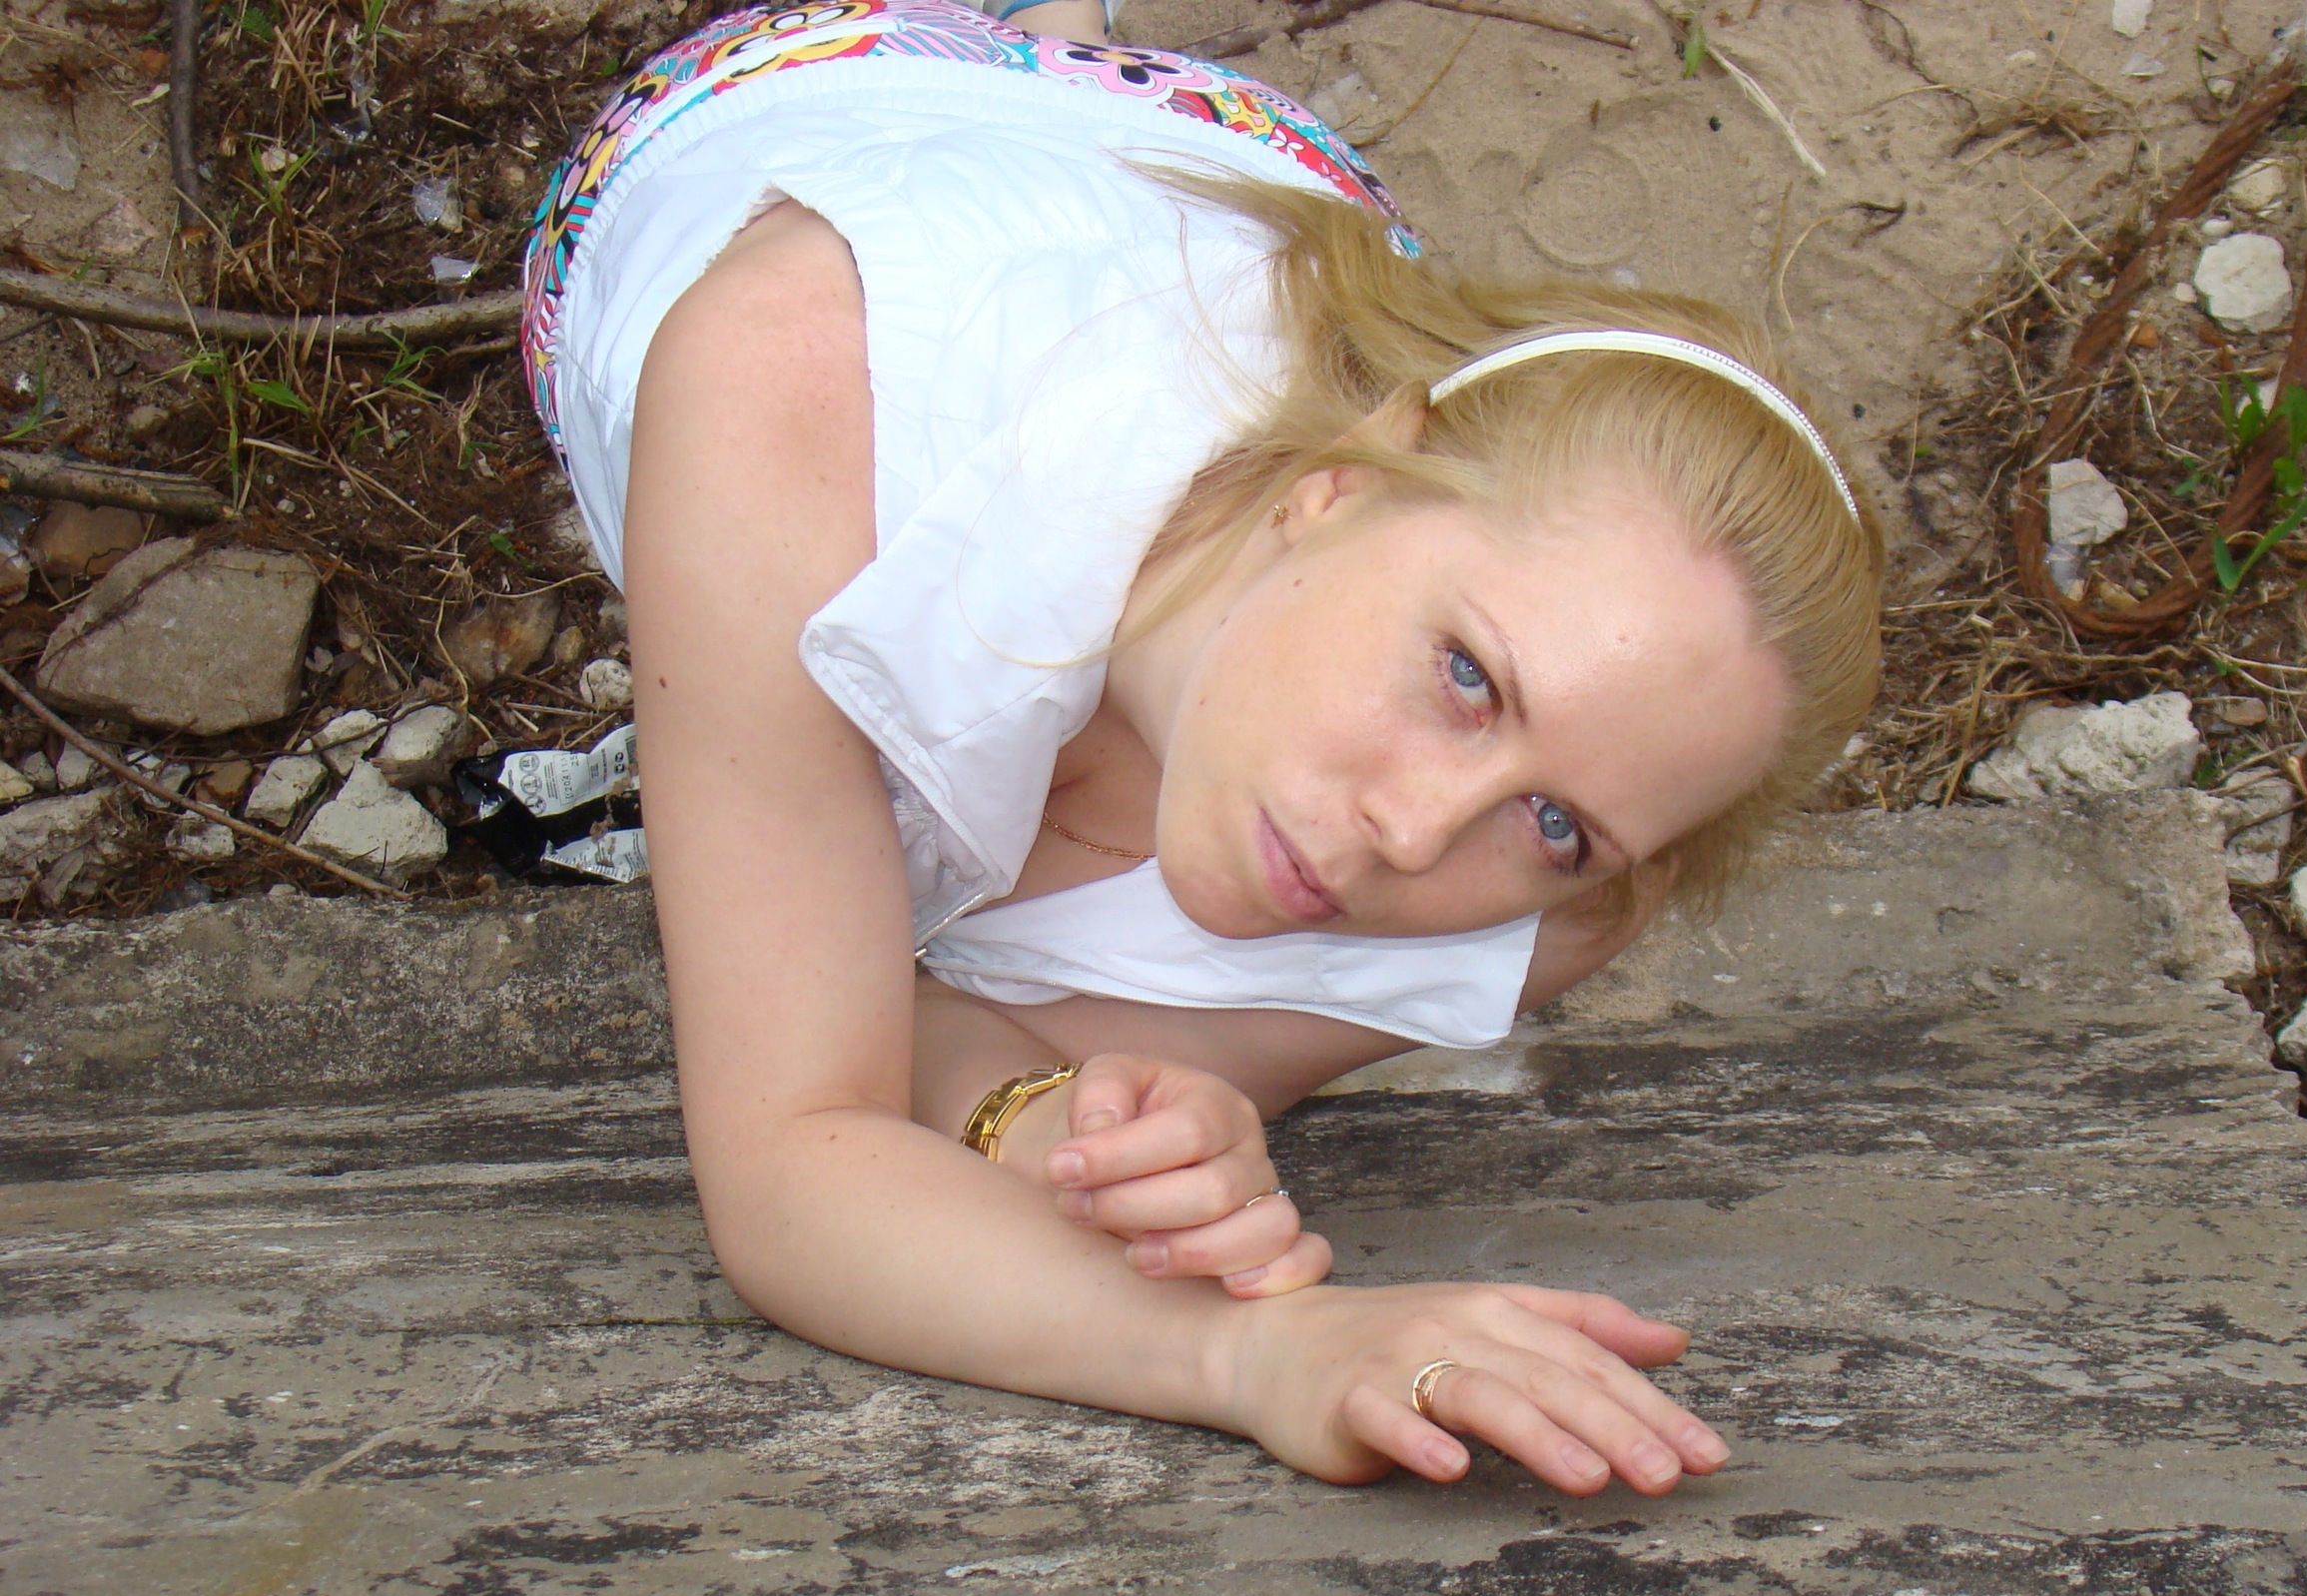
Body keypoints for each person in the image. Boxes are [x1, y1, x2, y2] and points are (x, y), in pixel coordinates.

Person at [521, 0, 1883, 1500]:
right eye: (1466, 678)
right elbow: (793, 1169)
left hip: (1256, 230)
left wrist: (1053, 1121)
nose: (1418, 833)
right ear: (1347, 480)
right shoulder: (798, 385)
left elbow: (928, 1043)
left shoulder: (1558, 903)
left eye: (1556, 821)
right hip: (824, 111)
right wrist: (1260, 1354)